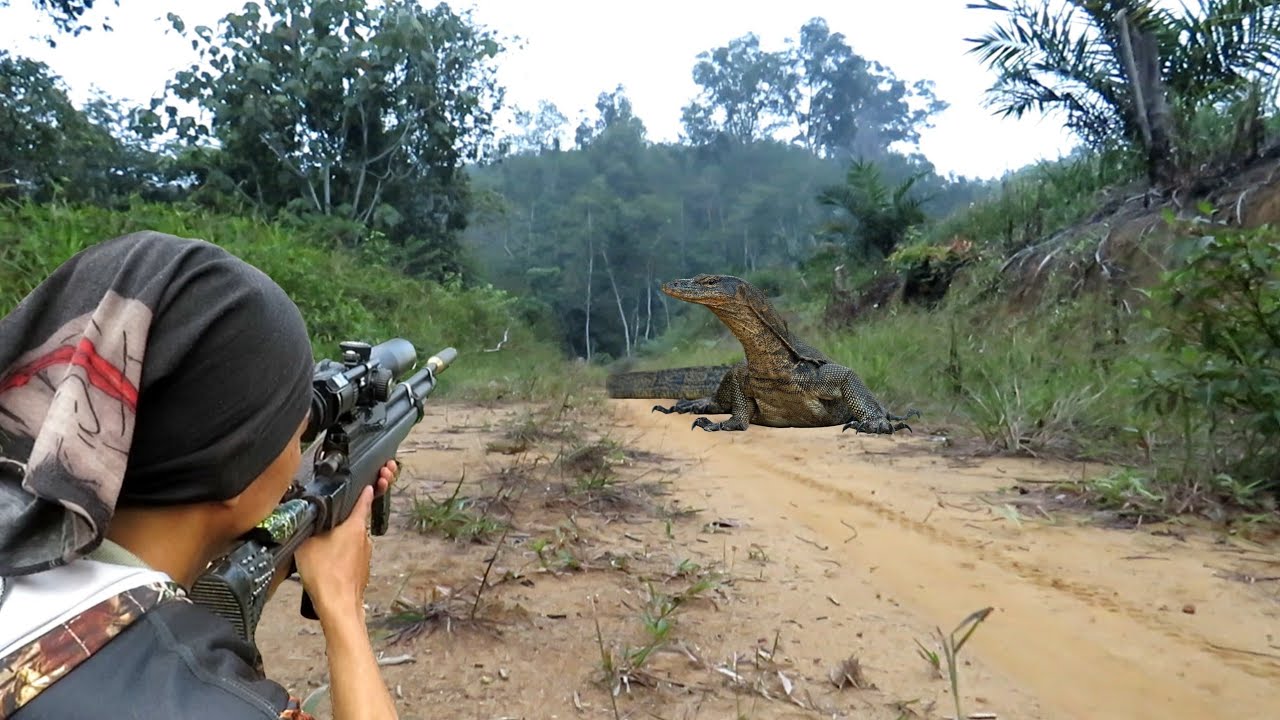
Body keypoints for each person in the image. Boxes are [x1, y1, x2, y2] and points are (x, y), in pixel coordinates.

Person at [0, 231, 400, 719]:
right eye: (296, 436)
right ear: (236, 465)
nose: (298, 460)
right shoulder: (214, 704)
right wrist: (341, 605)